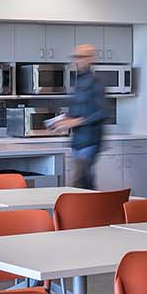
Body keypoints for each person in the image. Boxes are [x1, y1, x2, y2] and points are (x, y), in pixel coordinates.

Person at [48, 42, 109, 188]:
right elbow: (78, 110)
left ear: (90, 59)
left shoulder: (96, 82)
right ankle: (93, 209)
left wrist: (75, 122)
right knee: (84, 182)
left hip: (90, 141)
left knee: (80, 182)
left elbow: (102, 112)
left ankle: (93, 209)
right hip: (77, 141)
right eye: (75, 56)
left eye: (80, 56)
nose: (76, 60)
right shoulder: (78, 80)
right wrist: (63, 121)